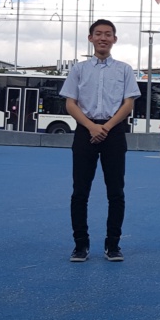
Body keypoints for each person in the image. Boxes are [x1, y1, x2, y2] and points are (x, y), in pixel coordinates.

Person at [60, 19, 140, 263]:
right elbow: (70, 103)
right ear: (90, 38)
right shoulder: (79, 69)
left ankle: (112, 245)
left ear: (115, 39)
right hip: (86, 131)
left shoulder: (124, 70)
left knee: (116, 191)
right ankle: (80, 245)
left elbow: (129, 103)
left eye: (108, 34)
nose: (103, 38)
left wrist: (105, 127)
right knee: (80, 192)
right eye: (98, 34)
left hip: (113, 132)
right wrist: (91, 126)